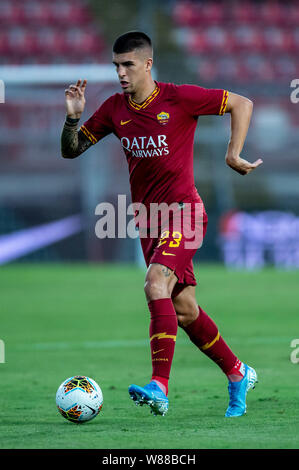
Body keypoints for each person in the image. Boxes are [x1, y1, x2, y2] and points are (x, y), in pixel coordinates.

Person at [61, 31, 262, 418]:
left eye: (128, 65)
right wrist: (73, 118)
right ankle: (238, 372)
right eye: (116, 66)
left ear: (147, 64)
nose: (120, 73)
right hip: (149, 223)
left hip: (186, 214)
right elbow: (72, 151)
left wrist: (233, 153)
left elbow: (242, 102)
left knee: (154, 283)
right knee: (184, 309)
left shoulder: (179, 97)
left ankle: (160, 386)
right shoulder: (113, 109)